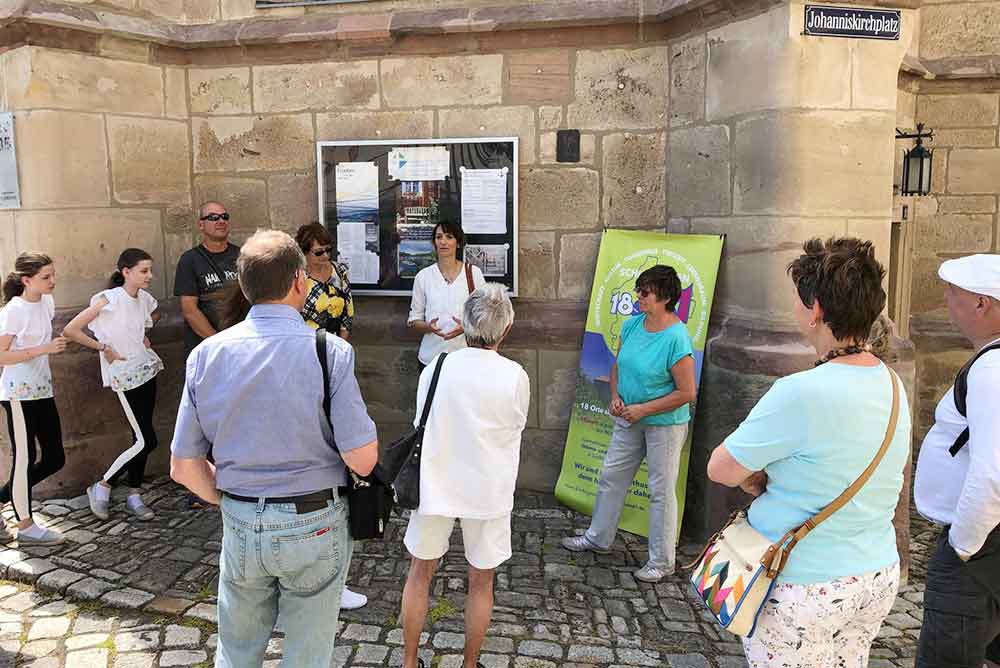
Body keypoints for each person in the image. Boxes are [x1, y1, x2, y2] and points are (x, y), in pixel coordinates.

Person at [170, 230, 379, 668]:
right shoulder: (331, 352)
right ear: (300, 282)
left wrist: (227, 497)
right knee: (306, 655)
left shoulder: (206, 355)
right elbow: (363, 458)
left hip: (243, 516)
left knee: (237, 651)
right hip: (315, 519)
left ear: (244, 286)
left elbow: (184, 466)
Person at [705, 237, 910, 668]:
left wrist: (754, 477)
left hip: (805, 583)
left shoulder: (798, 392)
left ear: (815, 308)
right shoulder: (892, 382)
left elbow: (721, 468)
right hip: (874, 574)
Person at [401, 283, 529, 668]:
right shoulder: (515, 376)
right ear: (505, 329)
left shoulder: (438, 368)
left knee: (420, 572)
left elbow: (419, 418)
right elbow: (515, 425)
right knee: (481, 580)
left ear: (464, 323)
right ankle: (470, 664)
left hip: (435, 481)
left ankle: (409, 662)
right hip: (487, 487)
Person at [561, 264, 696, 582]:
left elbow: (687, 392)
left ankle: (662, 561)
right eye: (638, 289)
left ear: (664, 297)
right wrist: (615, 397)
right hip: (628, 417)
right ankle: (598, 537)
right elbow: (618, 365)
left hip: (664, 424)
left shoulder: (677, 337)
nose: (638, 296)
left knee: (661, 491)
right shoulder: (632, 325)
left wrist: (644, 409)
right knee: (611, 476)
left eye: (645, 291)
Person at [914, 254, 1000, 668]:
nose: (946, 300)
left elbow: (993, 473)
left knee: (947, 656)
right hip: (987, 543)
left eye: (953, 292)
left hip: (980, 548)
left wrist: (963, 545)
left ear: (982, 303)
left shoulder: (993, 370)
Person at [65, 249, 163, 521]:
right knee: (148, 440)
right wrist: (103, 347)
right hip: (124, 374)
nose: (150, 276)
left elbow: (154, 315)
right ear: (126, 272)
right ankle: (103, 484)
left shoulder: (144, 299)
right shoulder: (110, 299)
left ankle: (134, 494)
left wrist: (143, 335)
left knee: (140, 437)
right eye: (144, 271)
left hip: (146, 368)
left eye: (150, 270)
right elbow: (71, 330)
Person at [0, 253, 68, 545]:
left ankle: (5, 497)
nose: (52, 281)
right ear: (26, 280)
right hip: (17, 394)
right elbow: (1, 355)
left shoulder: (47, 303)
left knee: (54, 457)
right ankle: (26, 526)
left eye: (53, 275)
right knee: (24, 460)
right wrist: (45, 349)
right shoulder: (13, 310)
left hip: (42, 389)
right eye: (45, 277)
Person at [407, 220, 486, 370]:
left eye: (449, 237)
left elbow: (484, 316)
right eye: (439, 237)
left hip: (465, 359)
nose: (443, 241)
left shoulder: (473, 274)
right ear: (434, 242)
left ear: (458, 242)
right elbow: (414, 320)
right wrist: (429, 327)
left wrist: (465, 327)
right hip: (431, 360)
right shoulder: (423, 277)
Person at [174, 202, 239, 358]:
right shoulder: (190, 259)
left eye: (225, 217)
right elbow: (190, 310)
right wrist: (219, 343)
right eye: (213, 217)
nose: (221, 221)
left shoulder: (243, 256)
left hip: (239, 345)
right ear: (201, 225)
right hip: (206, 348)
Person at [296, 223, 353, 338]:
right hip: (306, 345)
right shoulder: (297, 277)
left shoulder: (340, 271)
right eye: (319, 252)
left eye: (328, 250)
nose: (326, 255)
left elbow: (348, 313)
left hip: (335, 344)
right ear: (305, 252)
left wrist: (340, 346)